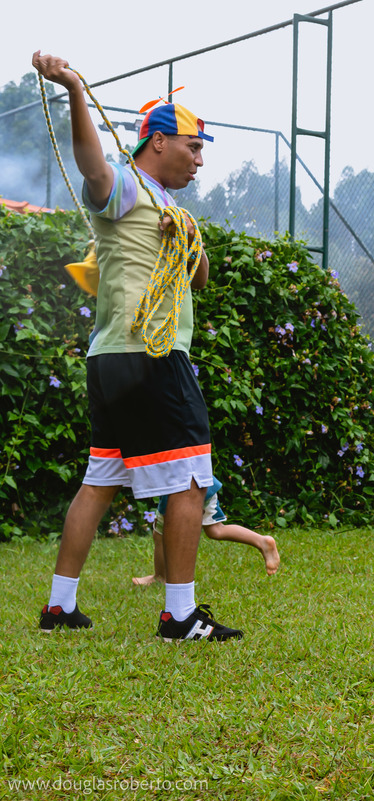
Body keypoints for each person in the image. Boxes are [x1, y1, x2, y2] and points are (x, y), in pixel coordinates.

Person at [32, 51, 241, 641]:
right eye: (193, 147)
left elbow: (197, 278)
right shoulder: (125, 185)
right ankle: (179, 616)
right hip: (150, 357)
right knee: (191, 479)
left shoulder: (170, 208)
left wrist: (189, 239)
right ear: (157, 143)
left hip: (113, 358)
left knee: (100, 479)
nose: (200, 159)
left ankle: (59, 606)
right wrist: (74, 86)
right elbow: (90, 164)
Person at [132, 478, 281, 585]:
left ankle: (161, 577)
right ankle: (261, 541)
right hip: (202, 482)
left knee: (160, 534)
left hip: (181, 485)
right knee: (216, 530)